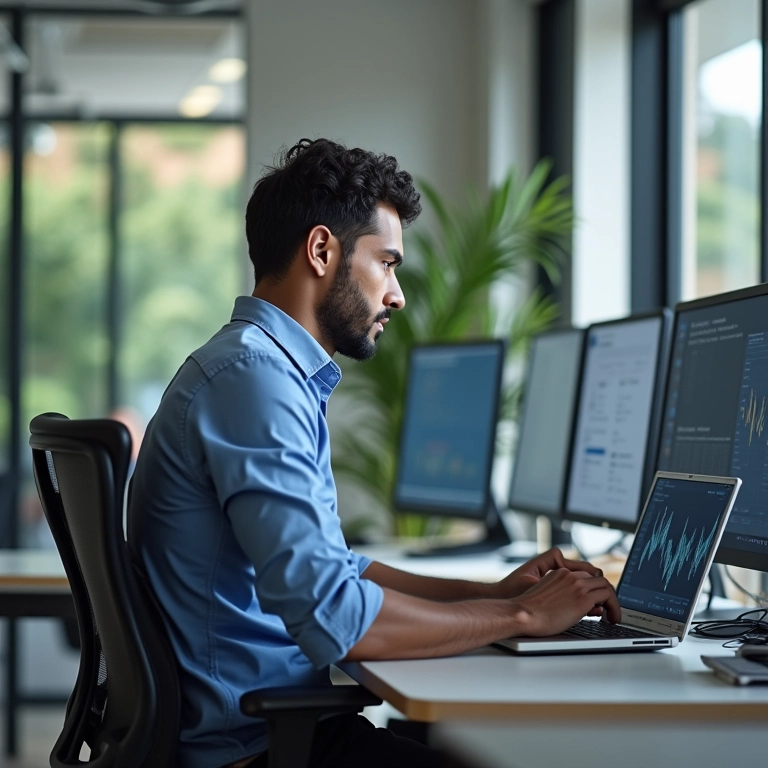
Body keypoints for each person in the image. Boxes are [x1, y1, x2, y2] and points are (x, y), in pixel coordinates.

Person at [128, 138, 620, 768]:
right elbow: (335, 618)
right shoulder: (254, 380)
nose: (397, 295)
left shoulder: (258, 370)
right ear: (322, 250)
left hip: (259, 732)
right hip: (251, 750)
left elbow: (336, 571)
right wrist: (523, 615)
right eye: (386, 263)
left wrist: (492, 599)